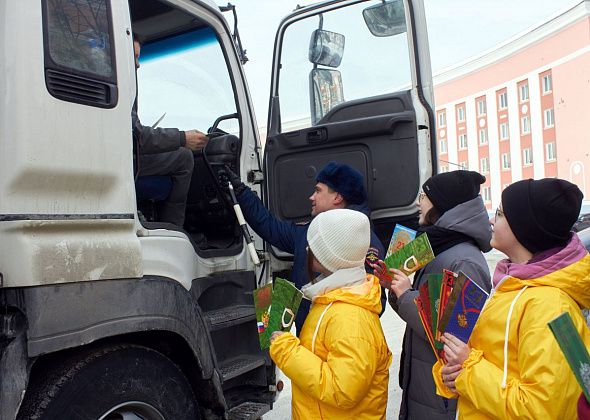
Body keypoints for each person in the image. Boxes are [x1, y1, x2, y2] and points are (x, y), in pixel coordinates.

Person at [433, 178, 590, 419]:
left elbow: (543, 410)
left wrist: (468, 367)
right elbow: (497, 363)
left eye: (500, 214)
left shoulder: (550, 306)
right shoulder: (514, 284)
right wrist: (454, 376)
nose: (491, 220)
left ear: (525, 227)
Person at [373, 170, 492, 420]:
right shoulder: (440, 249)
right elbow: (424, 316)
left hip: (442, 401)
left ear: (443, 203)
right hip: (424, 388)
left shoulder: (463, 260)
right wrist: (395, 289)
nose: (418, 202)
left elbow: (453, 335)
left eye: (424, 196)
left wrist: (406, 294)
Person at [228, 161, 386, 334]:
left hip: (339, 341)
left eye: (318, 191)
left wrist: (334, 328)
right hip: (308, 340)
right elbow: (269, 227)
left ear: (337, 197)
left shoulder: (364, 241)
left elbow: (374, 301)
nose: (312, 197)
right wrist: (240, 191)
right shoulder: (309, 231)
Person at [269, 208, 392, 419]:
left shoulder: (351, 319)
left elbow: (342, 390)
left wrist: (287, 350)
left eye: (315, 245)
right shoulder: (332, 299)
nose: (307, 248)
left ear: (330, 257)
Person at [132, 37, 208, 227]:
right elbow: (136, 137)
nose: (138, 64)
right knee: (183, 157)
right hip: (123, 161)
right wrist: (182, 138)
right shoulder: (121, 84)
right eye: (133, 57)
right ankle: (174, 228)